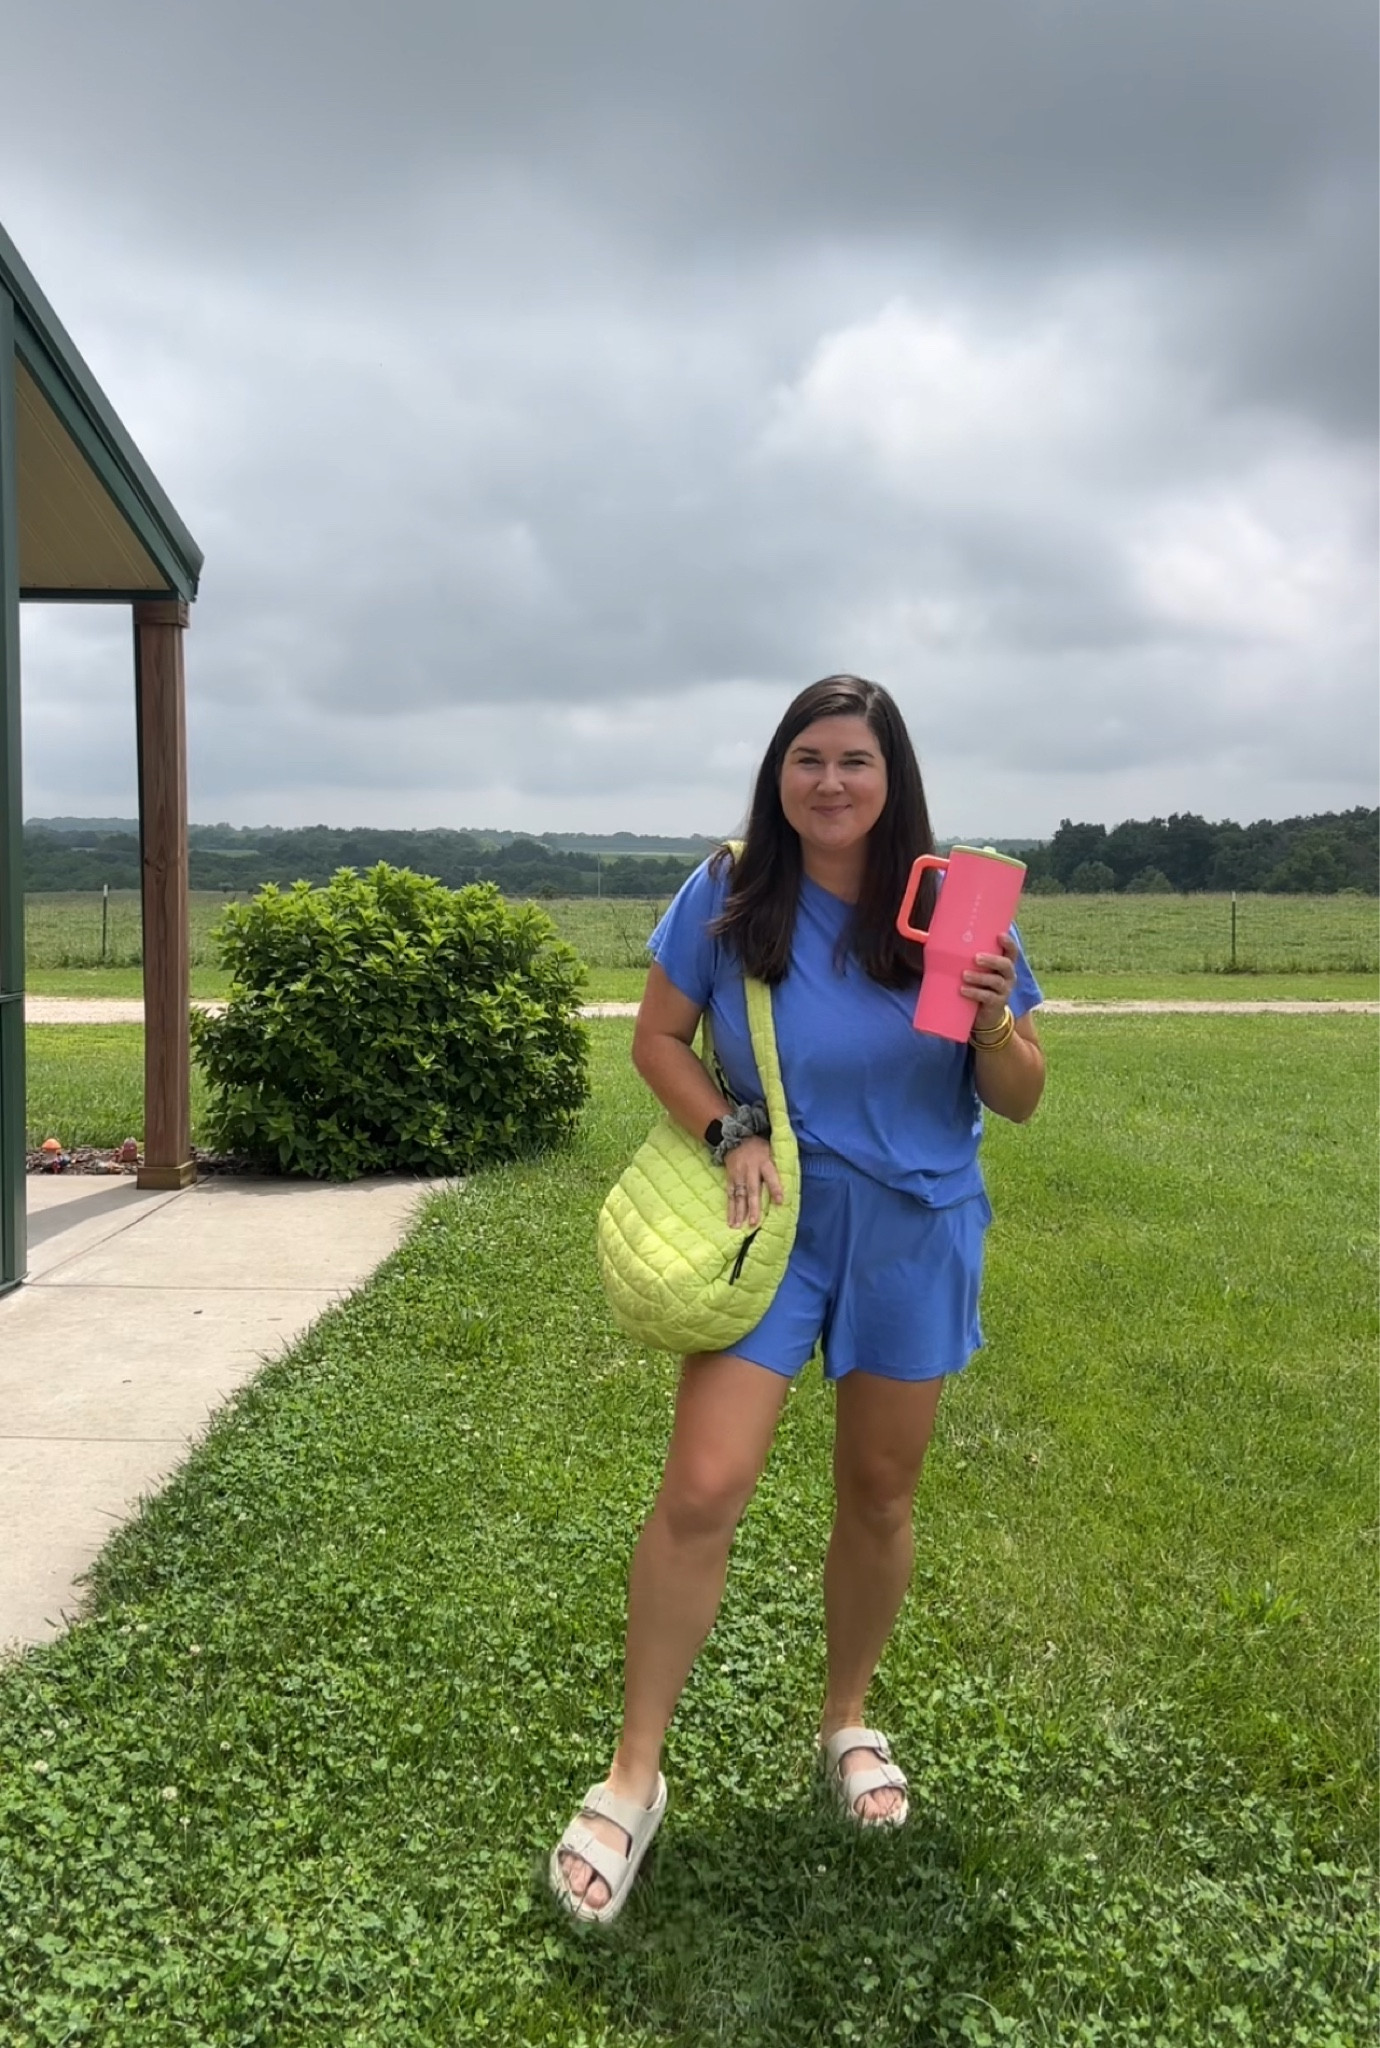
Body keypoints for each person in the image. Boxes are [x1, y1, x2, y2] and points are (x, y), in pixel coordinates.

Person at [550, 674, 1046, 1923]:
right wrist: (728, 1130)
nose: (831, 781)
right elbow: (655, 1039)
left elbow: (1024, 1094)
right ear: (780, 772)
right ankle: (631, 1775)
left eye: (856, 762)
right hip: (769, 1226)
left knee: (879, 1492)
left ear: (895, 780)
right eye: (809, 757)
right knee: (703, 1488)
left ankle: (845, 1721)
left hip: (915, 1226)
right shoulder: (728, 893)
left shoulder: (954, 907)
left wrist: (993, 1019)